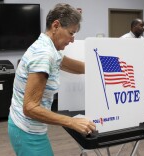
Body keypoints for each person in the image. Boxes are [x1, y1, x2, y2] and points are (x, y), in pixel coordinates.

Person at [8, 3, 96, 156]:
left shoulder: (50, 49)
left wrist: (102, 67)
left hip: (27, 127)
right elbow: (30, 108)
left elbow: (74, 66)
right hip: (26, 131)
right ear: (56, 26)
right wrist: (72, 122)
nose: (73, 40)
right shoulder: (44, 54)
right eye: (71, 33)